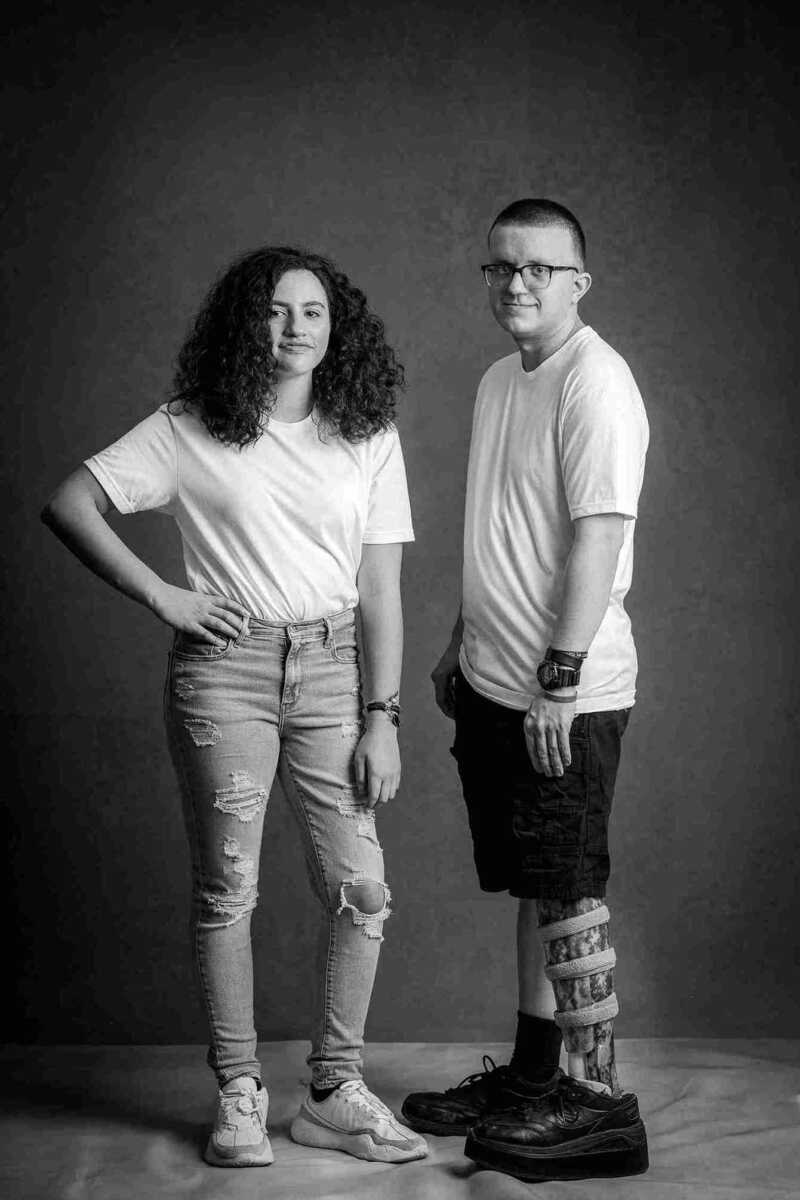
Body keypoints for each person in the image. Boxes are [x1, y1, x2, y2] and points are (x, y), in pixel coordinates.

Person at [41, 246, 428, 1168]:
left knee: (361, 887)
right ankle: (242, 1091)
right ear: (243, 323)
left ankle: (333, 1090)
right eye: (275, 310)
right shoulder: (189, 427)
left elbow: (381, 587)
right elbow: (71, 503)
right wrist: (166, 597)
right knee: (230, 890)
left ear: (339, 330)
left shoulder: (366, 430)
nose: (294, 327)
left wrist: (384, 713)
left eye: (313, 311)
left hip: (336, 669)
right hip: (227, 674)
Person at [401, 199, 650, 1183]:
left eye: (539, 269)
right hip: (492, 682)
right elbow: (501, 527)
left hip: (565, 694)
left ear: (577, 281)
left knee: (565, 890)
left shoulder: (597, 382)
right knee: (529, 885)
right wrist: (460, 645)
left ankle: (599, 1109)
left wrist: (559, 675)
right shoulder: (500, 379)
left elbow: (597, 531)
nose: (515, 284)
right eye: (501, 267)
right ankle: (534, 1081)